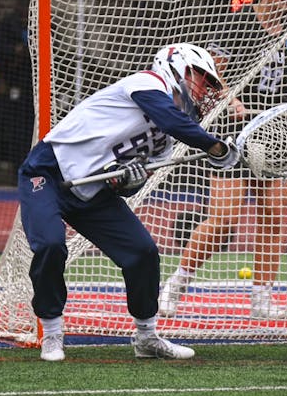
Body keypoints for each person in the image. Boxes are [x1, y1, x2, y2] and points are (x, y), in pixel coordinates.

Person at [18, 42, 241, 361]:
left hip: (92, 191)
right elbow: (171, 120)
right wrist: (214, 147)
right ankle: (52, 333)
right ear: (180, 66)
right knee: (52, 244)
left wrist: (127, 181)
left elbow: (129, 182)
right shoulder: (149, 83)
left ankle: (146, 336)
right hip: (49, 172)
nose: (205, 89)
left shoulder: (166, 139)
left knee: (143, 253)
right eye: (203, 78)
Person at [159, 0, 287, 320]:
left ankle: (261, 299)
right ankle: (176, 283)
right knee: (224, 219)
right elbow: (207, 74)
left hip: (274, 136)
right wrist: (233, 102)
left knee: (273, 215)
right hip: (232, 135)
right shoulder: (237, 24)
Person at [0, 0, 34, 169]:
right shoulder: (8, 24)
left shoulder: (41, 23)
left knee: (30, 125)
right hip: (13, 82)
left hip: (33, 85)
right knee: (15, 124)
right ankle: (15, 164)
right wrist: (14, 51)